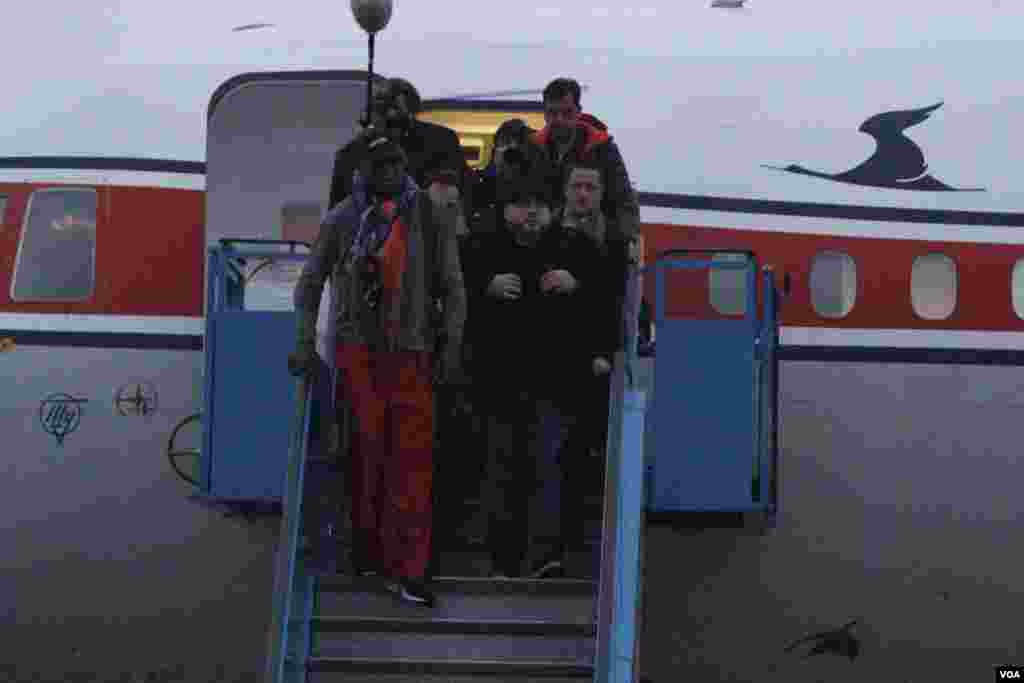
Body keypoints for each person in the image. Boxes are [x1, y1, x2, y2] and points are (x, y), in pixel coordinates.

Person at [290, 135, 466, 607]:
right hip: (358, 354)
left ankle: (407, 567)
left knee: (411, 463)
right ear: (364, 168)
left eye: (396, 162)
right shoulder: (343, 218)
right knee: (361, 458)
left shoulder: (430, 215)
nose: (389, 171)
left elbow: (453, 286)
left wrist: (450, 347)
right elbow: (308, 286)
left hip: (412, 352)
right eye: (379, 164)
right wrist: (305, 342)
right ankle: (367, 555)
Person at [461, 167, 603, 579]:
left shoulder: (575, 246)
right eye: (522, 206)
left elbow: (605, 302)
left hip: (555, 383)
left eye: (540, 206)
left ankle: (546, 559)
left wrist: (576, 285)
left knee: (547, 469)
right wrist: (484, 288)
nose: (532, 214)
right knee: (502, 470)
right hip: (498, 383)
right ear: (505, 210)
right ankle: (502, 561)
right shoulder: (481, 248)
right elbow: (452, 297)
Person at [328, 77, 472, 219]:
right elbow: (338, 210)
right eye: (382, 108)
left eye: (395, 108)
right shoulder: (354, 151)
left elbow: (459, 189)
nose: (390, 114)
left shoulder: (441, 140)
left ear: (413, 111)